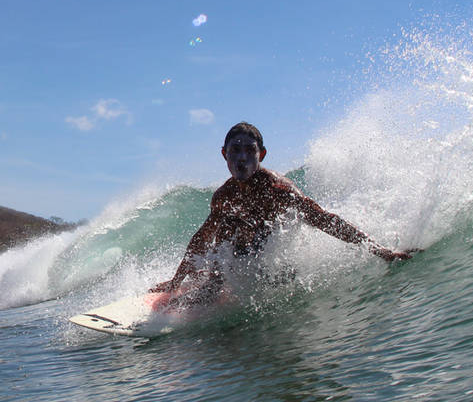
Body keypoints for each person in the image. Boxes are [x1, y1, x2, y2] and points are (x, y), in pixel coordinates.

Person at [150, 122, 413, 301]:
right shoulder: (224, 195)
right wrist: (175, 282)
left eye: (249, 151)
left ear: (261, 154)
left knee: (240, 234)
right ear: (224, 155)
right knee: (224, 224)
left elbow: (324, 220)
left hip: (272, 258)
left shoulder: (278, 188)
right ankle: (211, 284)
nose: (241, 158)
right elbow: (202, 238)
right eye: (235, 151)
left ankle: (214, 284)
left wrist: (380, 251)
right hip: (242, 254)